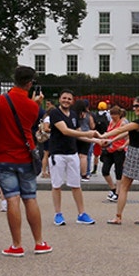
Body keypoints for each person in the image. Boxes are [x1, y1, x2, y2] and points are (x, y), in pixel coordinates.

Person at [0, 66, 50, 257]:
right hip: (26, 156)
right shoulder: (33, 106)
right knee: (30, 198)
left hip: (4, 156)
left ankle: (17, 244)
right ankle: (39, 242)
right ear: (30, 83)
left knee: (12, 198)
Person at [101, 96, 139, 226]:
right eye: (133, 106)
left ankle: (118, 216)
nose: (134, 108)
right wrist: (111, 140)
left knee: (124, 187)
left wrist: (103, 136)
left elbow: (121, 129)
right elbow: (127, 134)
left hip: (135, 154)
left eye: (137, 106)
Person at [47, 91, 99, 226]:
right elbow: (65, 131)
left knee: (76, 185)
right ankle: (58, 214)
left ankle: (81, 213)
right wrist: (88, 133)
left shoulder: (74, 115)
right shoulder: (54, 113)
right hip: (57, 154)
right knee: (57, 185)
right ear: (59, 99)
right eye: (64, 98)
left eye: (69, 99)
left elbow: (78, 135)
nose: (66, 100)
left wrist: (97, 140)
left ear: (72, 101)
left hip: (72, 153)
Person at [100, 105, 128, 202]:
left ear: (119, 114)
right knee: (105, 170)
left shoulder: (123, 123)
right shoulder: (111, 122)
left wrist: (124, 146)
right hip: (109, 149)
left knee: (118, 171)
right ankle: (113, 188)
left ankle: (118, 192)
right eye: (111, 114)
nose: (113, 116)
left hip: (118, 150)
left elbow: (127, 136)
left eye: (115, 114)